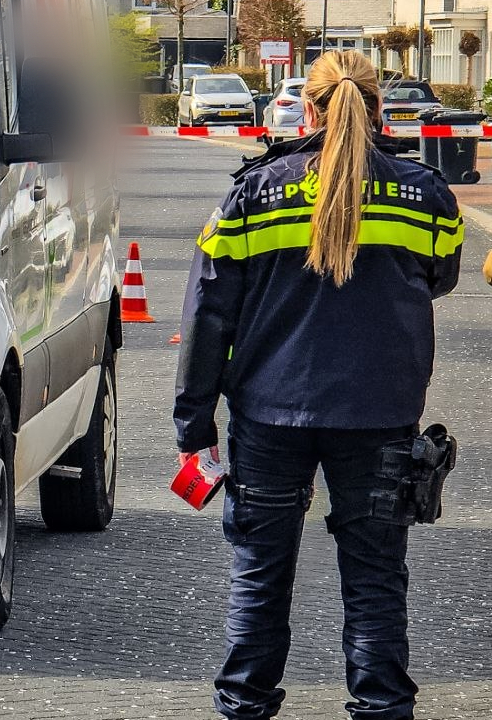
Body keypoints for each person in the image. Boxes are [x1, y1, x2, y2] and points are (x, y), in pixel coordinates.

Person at [174, 51, 463, 720]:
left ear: (306, 109)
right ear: (378, 108)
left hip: (269, 416)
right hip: (379, 412)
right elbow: (441, 277)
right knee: (375, 580)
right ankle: (381, 707)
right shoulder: (425, 194)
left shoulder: (252, 194)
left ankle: (244, 707)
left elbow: (207, 316)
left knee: (259, 576)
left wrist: (194, 426)